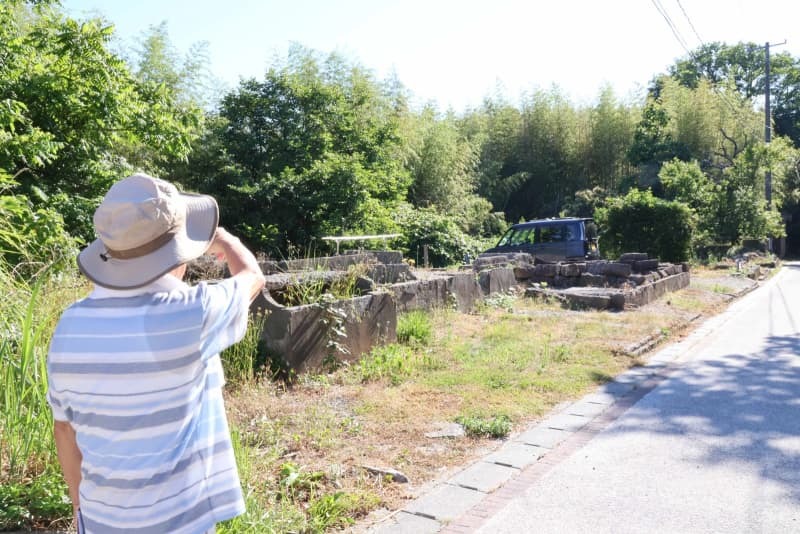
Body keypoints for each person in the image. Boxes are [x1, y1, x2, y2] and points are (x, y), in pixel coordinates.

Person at [46, 173, 265, 534]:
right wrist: (225, 240)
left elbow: (64, 430)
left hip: (101, 520)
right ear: (178, 251)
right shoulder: (190, 315)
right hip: (180, 523)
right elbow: (253, 277)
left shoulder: (69, 326)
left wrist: (80, 509)